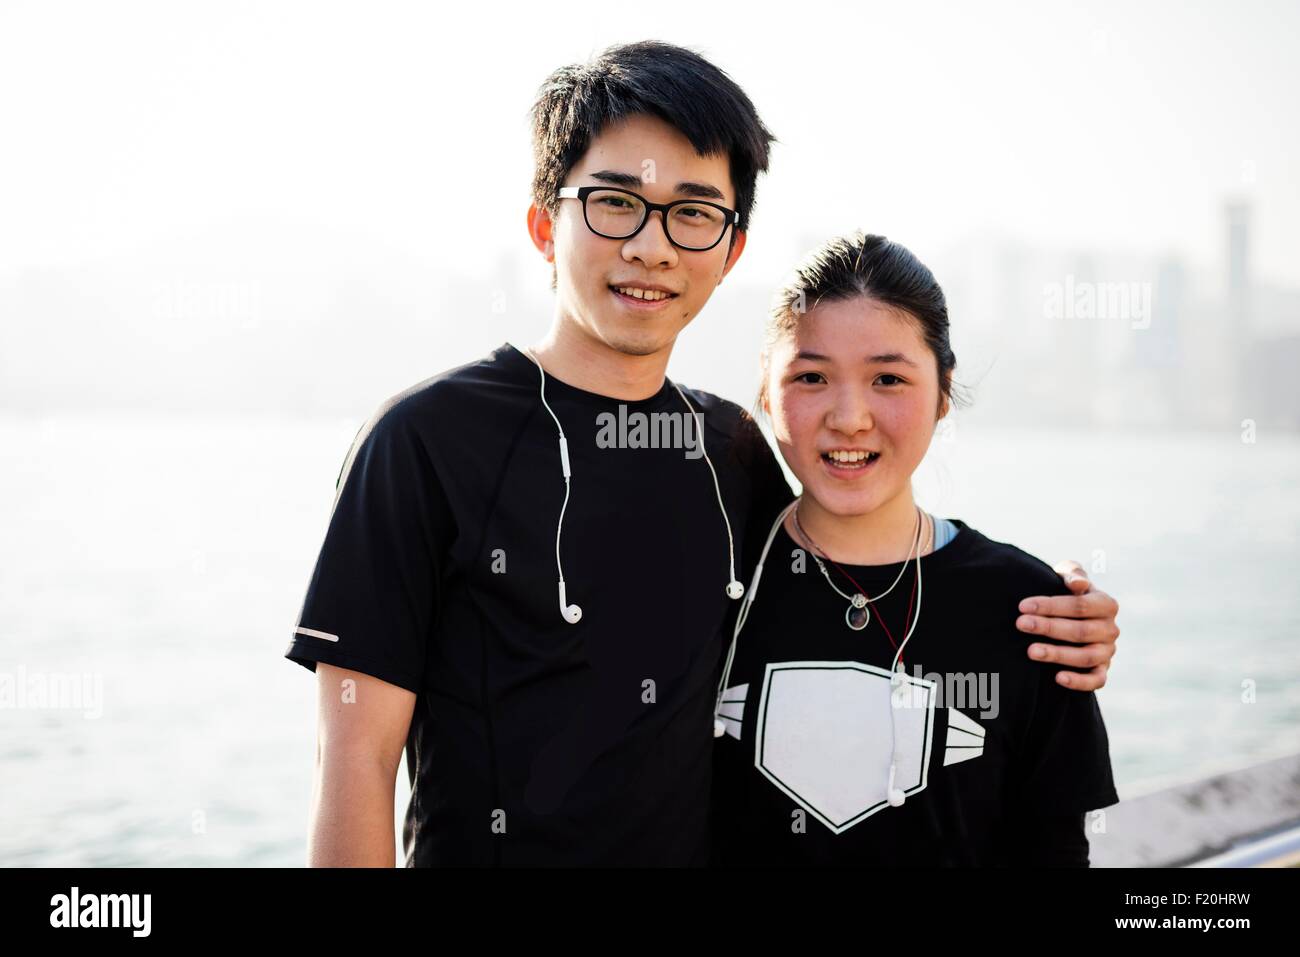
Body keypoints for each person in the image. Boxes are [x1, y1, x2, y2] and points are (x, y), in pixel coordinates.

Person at [282, 41, 1121, 867]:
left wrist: (1062, 614)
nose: (651, 247)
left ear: (731, 249)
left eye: (692, 212)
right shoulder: (423, 440)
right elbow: (354, 762)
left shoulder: (732, 453)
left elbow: (863, 565)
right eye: (615, 202)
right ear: (545, 224)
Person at [709, 232, 1119, 866]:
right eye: (811, 376)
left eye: (888, 379)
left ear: (944, 392)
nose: (849, 417)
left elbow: (1055, 851)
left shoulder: (1037, 614)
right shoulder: (710, 583)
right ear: (766, 391)